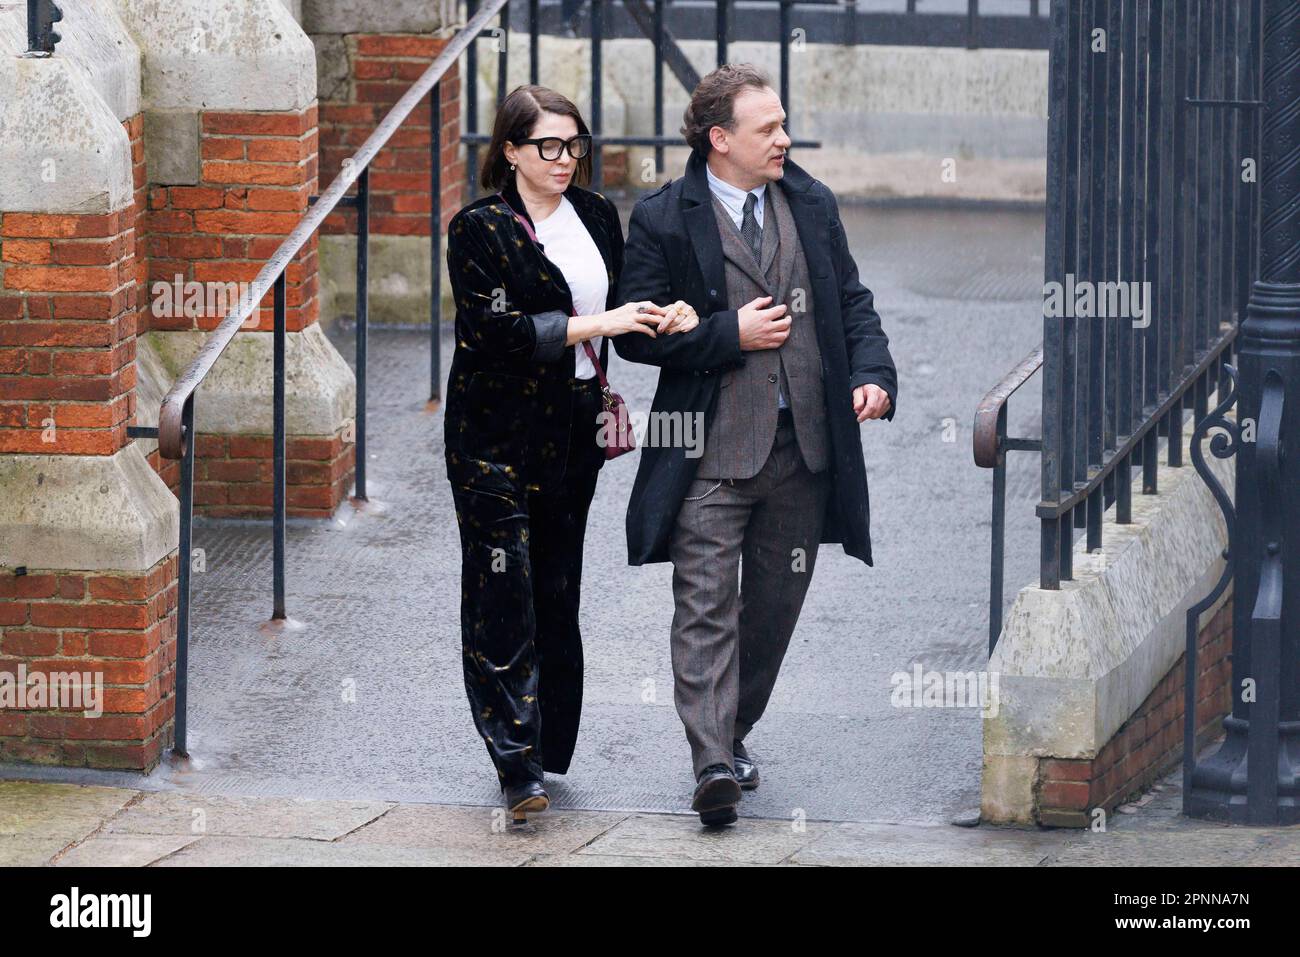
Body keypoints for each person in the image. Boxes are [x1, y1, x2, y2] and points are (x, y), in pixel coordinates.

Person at [615, 64, 898, 826]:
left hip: (801, 451)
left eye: (782, 124)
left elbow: (851, 300)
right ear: (720, 139)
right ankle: (711, 762)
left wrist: (873, 374)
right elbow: (634, 334)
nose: (784, 138)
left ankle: (733, 729)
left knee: (772, 610)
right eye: (768, 128)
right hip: (707, 452)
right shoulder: (665, 218)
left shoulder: (809, 202)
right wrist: (724, 335)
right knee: (703, 606)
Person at [443, 85, 698, 822]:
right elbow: (501, 333)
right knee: (504, 591)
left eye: (574, 144)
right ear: (512, 151)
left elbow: (620, 323)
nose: (564, 159)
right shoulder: (478, 230)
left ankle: (548, 745)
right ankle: (516, 765)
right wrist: (602, 319)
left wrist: (666, 314)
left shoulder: (594, 216)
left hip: (574, 429)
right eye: (548, 146)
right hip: (492, 439)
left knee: (557, 587)